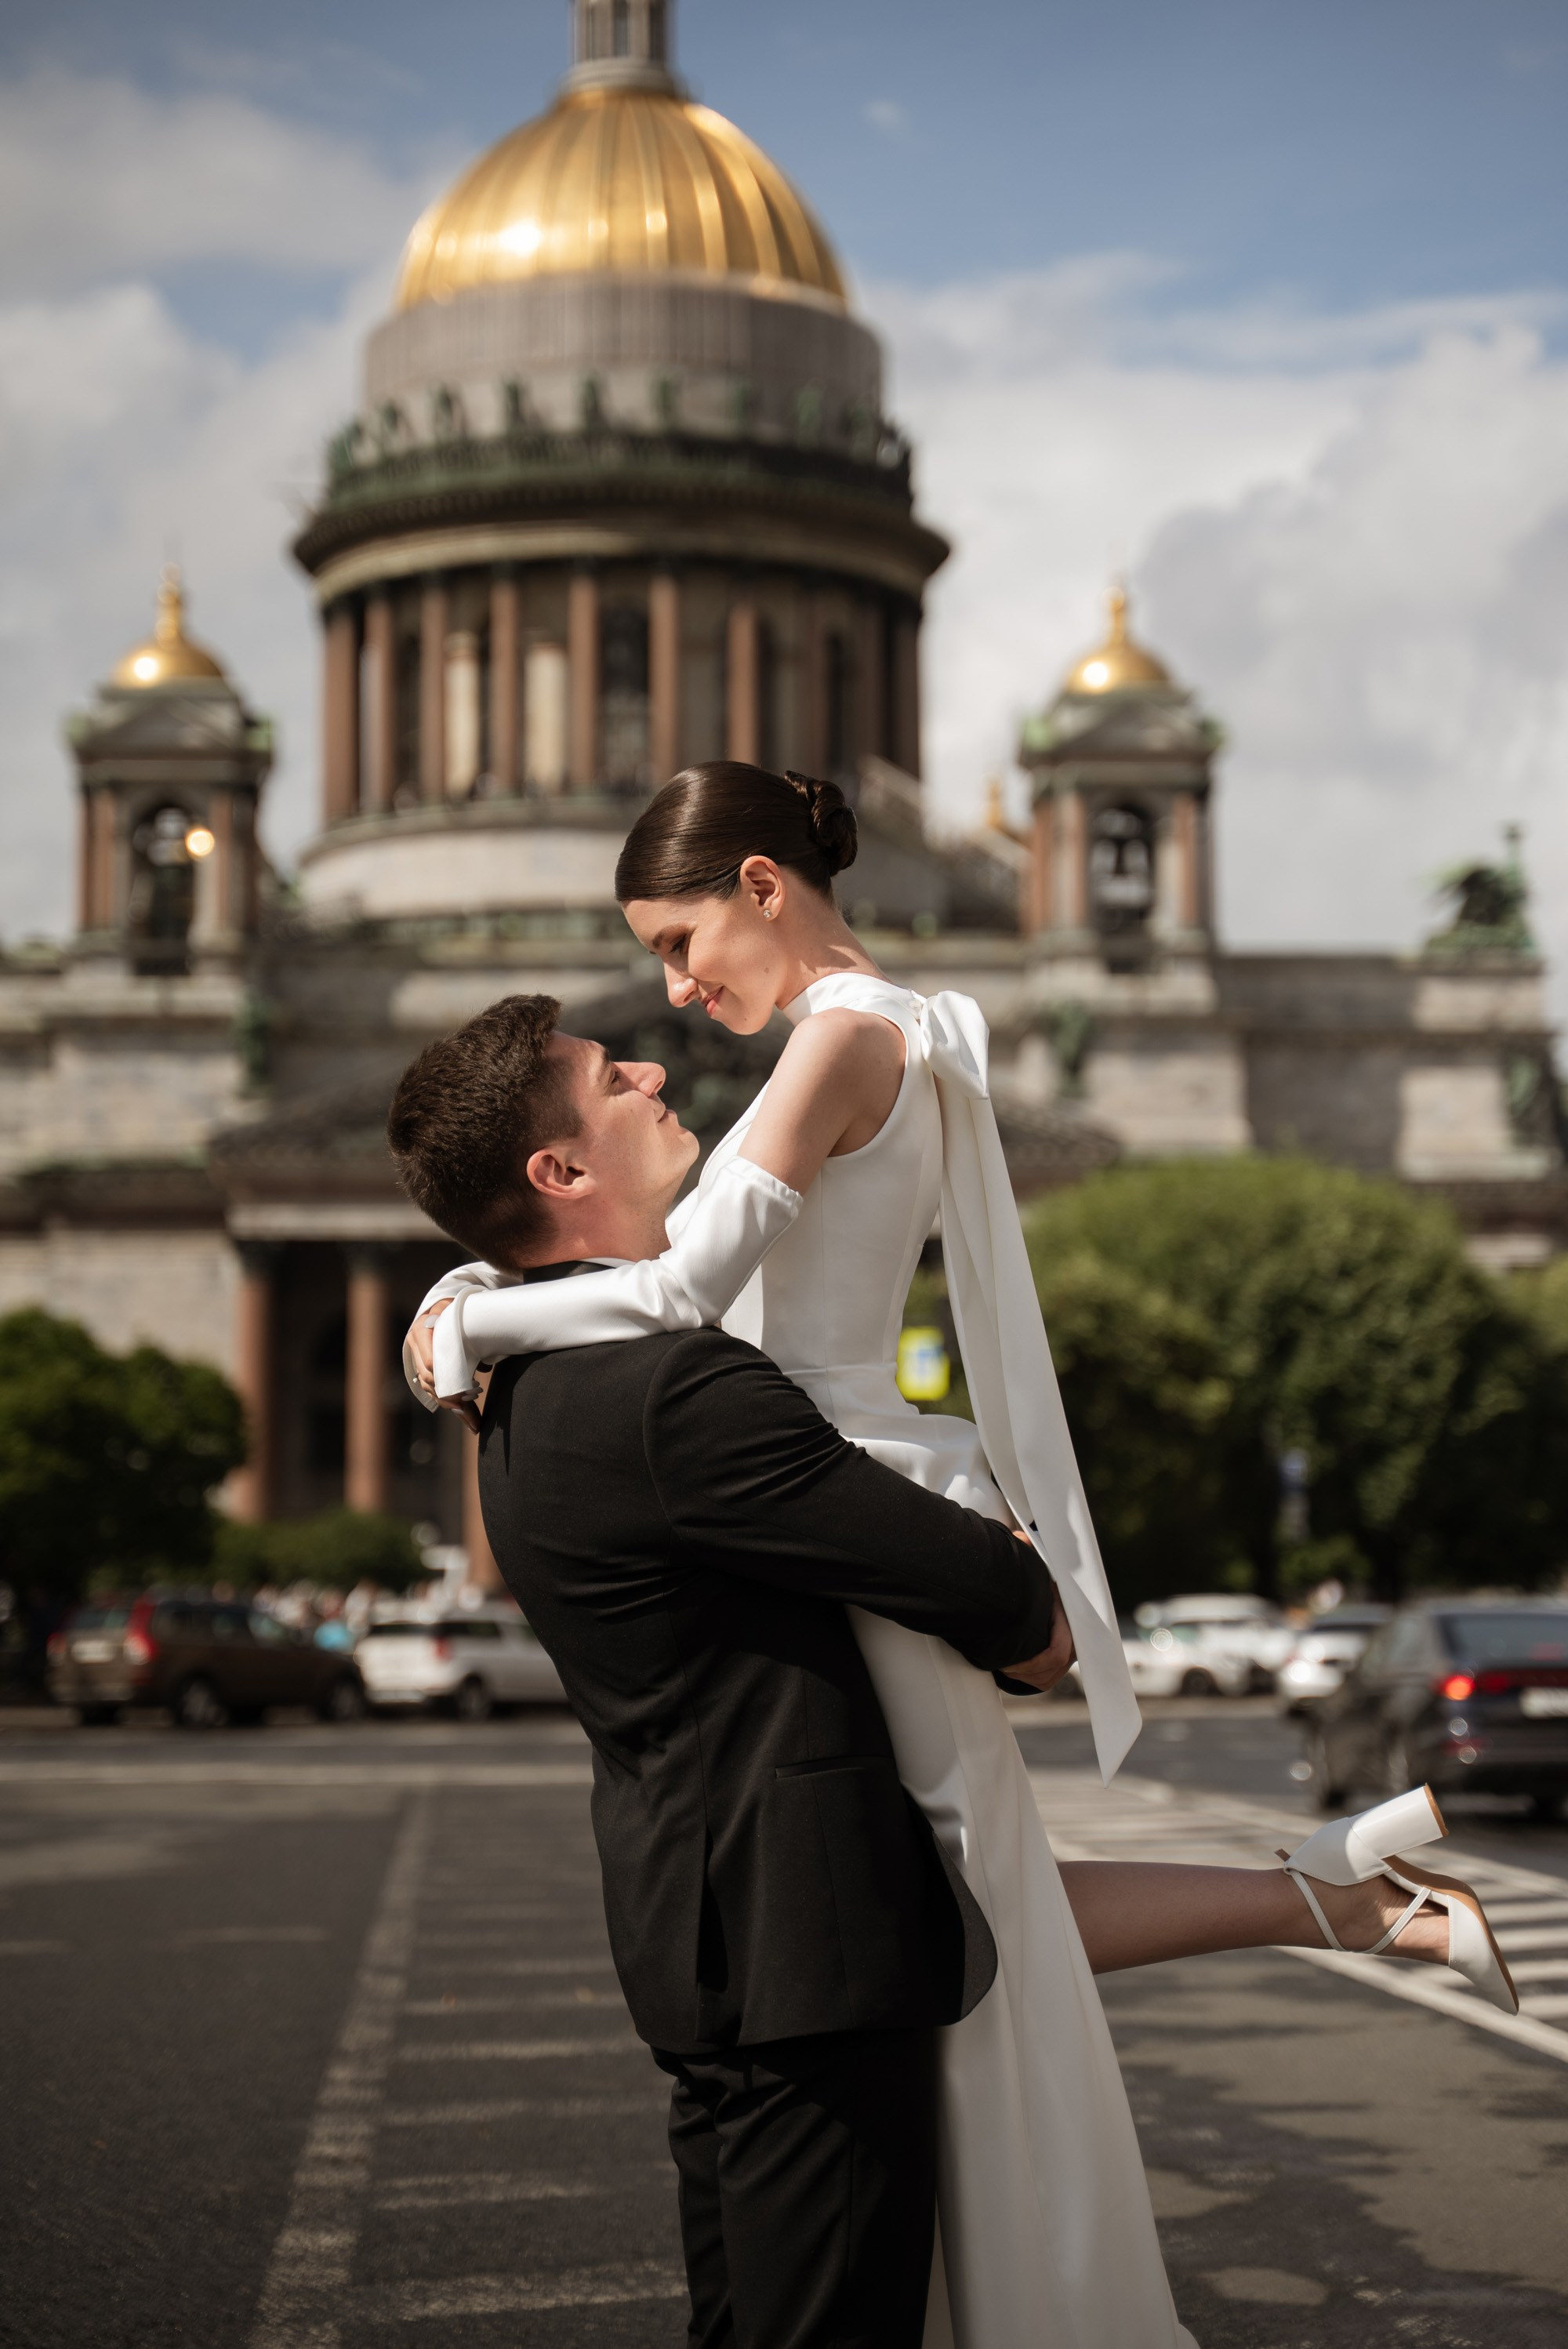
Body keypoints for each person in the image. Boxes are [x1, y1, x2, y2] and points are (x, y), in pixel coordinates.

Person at [390, 766, 1516, 2349]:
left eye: (678, 933)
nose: (667, 989)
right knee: (955, 1896)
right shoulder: (859, 1034)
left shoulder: (844, 1037)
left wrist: (469, 1308)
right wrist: (472, 1271)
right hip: (815, 1480)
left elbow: (677, 1287)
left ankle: (1067, 2227)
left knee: (943, 1911)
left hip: (825, 1488)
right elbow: (637, 1256)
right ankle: (1328, 1904)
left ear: (765, 883)